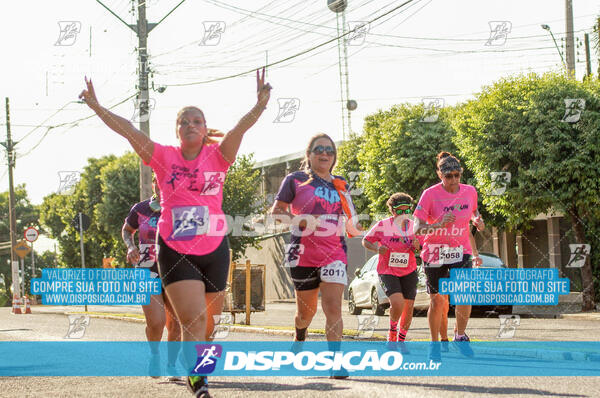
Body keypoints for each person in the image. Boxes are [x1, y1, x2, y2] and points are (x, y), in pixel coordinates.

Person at [80, 68, 272, 398]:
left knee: (209, 327)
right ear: (177, 130)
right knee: (192, 321)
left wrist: (260, 105)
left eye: (197, 121)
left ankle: (200, 369)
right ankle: (198, 382)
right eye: (184, 121)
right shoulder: (163, 157)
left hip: (214, 249)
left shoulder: (220, 155)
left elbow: (241, 127)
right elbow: (127, 130)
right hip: (174, 248)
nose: (191, 125)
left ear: (204, 128)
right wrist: (97, 107)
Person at [270, 133, 356, 378]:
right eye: (319, 149)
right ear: (309, 154)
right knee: (305, 313)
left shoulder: (341, 184)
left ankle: (336, 362)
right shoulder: (295, 180)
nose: (325, 153)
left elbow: (350, 219)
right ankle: (299, 336)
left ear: (334, 156)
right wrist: (302, 220)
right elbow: (277, 213)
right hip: (302, 254)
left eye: (329, 150)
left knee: (333, 308)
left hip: (334, 252)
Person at [413, 151, 484, 361]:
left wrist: (478, 221)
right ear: (439, 175)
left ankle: (459, 335)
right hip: (434, 252)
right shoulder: (429, 194)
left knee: (464, 295)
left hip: (461, 250)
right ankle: (434, 344)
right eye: (448, 176)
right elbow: (417, 227)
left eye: (457, 175)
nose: (453, 180)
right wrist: (438, 224)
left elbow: (474, 212)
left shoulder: (470, 191)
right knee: (437, 301)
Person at [122, 174, 181, 380]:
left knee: (176, 323)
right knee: (156, 322)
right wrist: (131, 247)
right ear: (154, 183)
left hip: (176, 268)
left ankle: (172, 365)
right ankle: (154, 355)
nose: (161, 184)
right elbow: (127, 230)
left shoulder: (182, 208)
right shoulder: (140, 209)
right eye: (158, 180)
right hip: (147, 268)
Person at [362, 192, 420, 345]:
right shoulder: (383, 225)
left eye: (407, 210)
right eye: (399, 211)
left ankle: (401, 340)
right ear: (392, 211)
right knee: (397, 302)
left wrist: (417, 247)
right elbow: (366, 241)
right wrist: (376, 249)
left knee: (408, 306)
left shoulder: (414, 226)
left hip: (409, 269)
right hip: (388, 270)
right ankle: (392, 331)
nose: (403, 214)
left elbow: (421, 248)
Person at [438, 229, 482, 352]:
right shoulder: (433, 212)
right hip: (438, 257)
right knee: (441, 301)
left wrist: (475, 255)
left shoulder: (461, 213)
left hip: (461, 256)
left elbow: (468, 233)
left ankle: (459, 334)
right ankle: (444, 338)